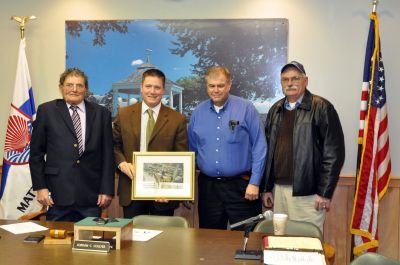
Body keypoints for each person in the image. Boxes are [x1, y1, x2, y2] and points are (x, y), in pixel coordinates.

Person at [263, 61, 345, 232]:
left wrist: (324, 192)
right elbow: (268, 152)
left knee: (307, 244)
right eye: (285, 79)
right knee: (281, 241)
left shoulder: (322, 107)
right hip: (279, 191)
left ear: (305, 81)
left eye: (295, 78)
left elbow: (334, 153)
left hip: (308, 194)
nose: (290, 83)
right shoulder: (275, 110)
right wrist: (267, 188)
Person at [29, 68, 115, 222]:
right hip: (56, 195)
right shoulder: (46, 111)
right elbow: (36, 154)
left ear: (86, 89)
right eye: (69, 85)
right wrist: (40, 187)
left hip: (91, 195)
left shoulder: (102, 114)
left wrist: (107, 190)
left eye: (79, 85)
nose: (74, 89)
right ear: (61, 87)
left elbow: (108, 156)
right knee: (56, 244)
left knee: (89, 241)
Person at [188, 66, 267, 230]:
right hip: (208, 189)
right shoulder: (198, 112)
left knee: (248, 240)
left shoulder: (246, 108)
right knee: (210, 242)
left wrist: (255, 182)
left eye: (220, 85)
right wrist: (185, 186)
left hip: (242, 188)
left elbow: (260, 145)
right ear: (206, 86)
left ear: (229, 85)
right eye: (211, 86)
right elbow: (191, 151)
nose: (215, 90)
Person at [113, 68, 188, 218]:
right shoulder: (124, 114)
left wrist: (169, 188)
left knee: (161, 239)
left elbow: (181, 156)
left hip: (163, 192)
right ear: (141, 88)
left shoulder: (177, 119)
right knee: (132, 238)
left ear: (163, 90)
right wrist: (121, 163)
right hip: (132, 187)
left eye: (157, 87)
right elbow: (114, 145)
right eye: (148, 86)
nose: (152, 91)